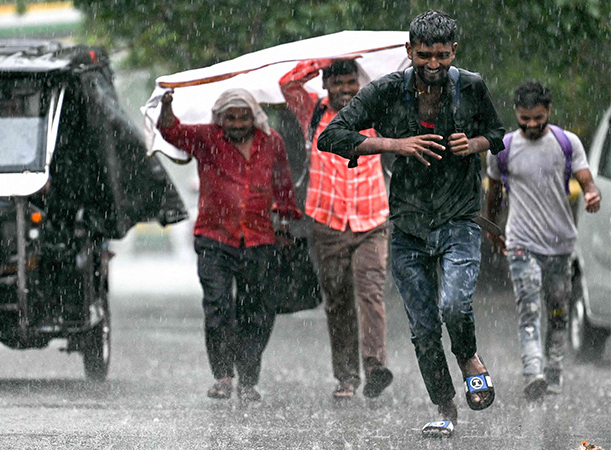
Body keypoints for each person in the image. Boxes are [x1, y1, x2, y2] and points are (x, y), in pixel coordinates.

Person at [317, 10, 504, 435]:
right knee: (422, 328)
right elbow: (332, 135)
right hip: (407, 226)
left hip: (459, 218)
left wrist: (471, 143)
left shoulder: (471, 87)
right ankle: (444, 407)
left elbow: (497, 135)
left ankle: (469, 356)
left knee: (454, 305)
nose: (433, 65)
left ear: (454, 51)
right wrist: (393, 144)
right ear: (408, 52)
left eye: (441, 56)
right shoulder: (385, 92)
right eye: (423, 56)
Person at [156, 88, 301, 402]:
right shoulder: (207, 139)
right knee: (218, 306)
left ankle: (248, 380)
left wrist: (286, 224)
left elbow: (283, 184)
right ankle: (223, 376)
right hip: (214, 239)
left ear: (254, 116)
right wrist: (166, 105)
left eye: (243, 116)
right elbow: (170, 130)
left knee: (257, 312)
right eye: (230, 117)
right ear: (220, 119)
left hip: (260, 239)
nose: (237, 123)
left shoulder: (271, 141)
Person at [279, 59, 393, 399]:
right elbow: (288, 84)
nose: (345, 90)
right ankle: (346, 377)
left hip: (372, 220)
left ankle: (375, 367)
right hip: (327, 221)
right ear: (326, 85)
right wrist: (322, 60)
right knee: (338, 298)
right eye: (338, 83)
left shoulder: (375, 110)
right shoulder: (312, 111)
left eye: (351, 83)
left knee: (370, 291)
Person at [485, 81, 601, 400]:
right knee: (528, 307)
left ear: (548, 111)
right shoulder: (504, 147)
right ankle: (532, 372)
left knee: (557, 311)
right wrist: (492, 228)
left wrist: (591, 193)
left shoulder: (567, 143)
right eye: (525, 119)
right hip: (521, 241)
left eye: (538, 118)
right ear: (516, 114)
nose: (532, 125)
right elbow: (494, 193)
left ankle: (553, 369)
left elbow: (586, 180)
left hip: (560, 244)